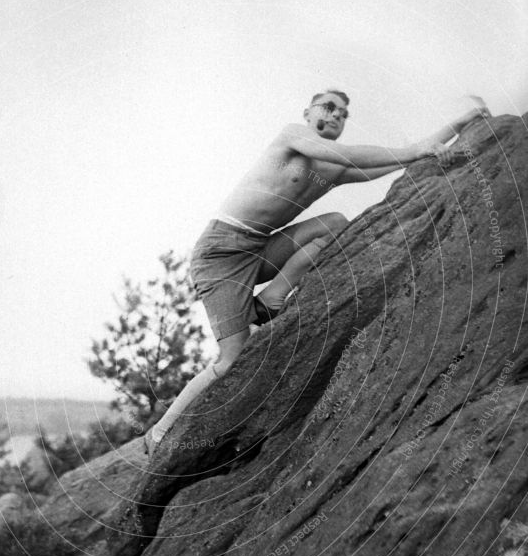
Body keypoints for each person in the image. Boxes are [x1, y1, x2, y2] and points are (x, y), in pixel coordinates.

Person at [144, 90, 490, 455]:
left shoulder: (334, 170)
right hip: (220, 253)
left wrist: (460, 123)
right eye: (328, 107)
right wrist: (415, 151)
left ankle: (271, 299)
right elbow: (383, 153)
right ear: (308, 112)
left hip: (260, 249)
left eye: (343, 113)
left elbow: (406, 155)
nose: (337, 115)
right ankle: (160, 432)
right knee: (232, 358)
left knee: (334, 224)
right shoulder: (292, 136)